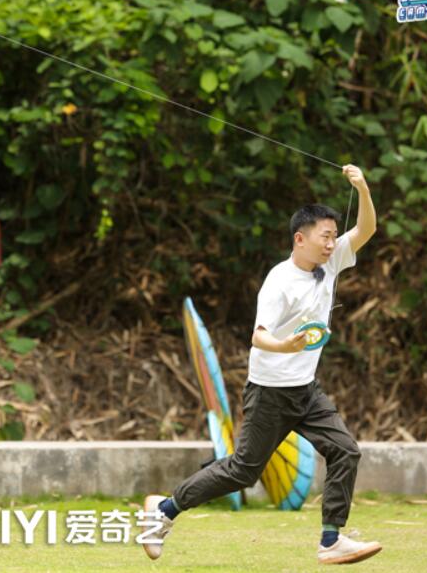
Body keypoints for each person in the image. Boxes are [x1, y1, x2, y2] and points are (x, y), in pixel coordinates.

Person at [142, 164, 381, 566]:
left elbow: (367, 230)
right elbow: (259, 336)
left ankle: (330, 539)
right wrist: (286, 345)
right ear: (300, 239)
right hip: (270, 391)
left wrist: (363, 189)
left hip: (306, 389)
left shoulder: (332, 261)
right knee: (242, 471)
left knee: (346, 451)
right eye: (325, 236)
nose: (332, 243)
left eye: (333, 236)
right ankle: (164, 510)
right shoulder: (279, 281)